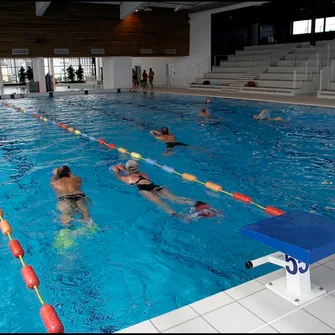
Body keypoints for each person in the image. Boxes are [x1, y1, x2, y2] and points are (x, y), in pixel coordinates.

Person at [110, 160, 195, 217]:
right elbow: (134, 173)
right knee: (175, 198)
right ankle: (196, 204)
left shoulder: (128, 178)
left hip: (145, 191)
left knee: (164, 205)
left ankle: (184, 217)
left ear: (128, 169)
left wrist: (117, 170)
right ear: (138, 167)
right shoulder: (144, 174)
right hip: (155, 187)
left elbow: (118, 177)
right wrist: (124, 169)